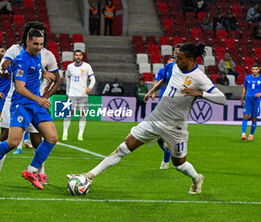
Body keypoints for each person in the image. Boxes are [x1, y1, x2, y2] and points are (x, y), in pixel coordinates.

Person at [68, 42, 227, 195]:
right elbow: (165, 79)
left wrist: (200, 93)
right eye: (176, 57)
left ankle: (196, 178)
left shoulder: (200, 78)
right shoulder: (174, 66)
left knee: (179, 164)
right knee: (123, 148)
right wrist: (152, 91)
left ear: (191, 60)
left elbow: (222, 99)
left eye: (180, 58)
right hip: (155, 119)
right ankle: (89, 175)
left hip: (176, 128)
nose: (176, 61)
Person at [0, 29, 59, 190]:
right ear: (27, 42)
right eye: (35, 44)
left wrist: (44, 74)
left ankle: (31, 170)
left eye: (41, 44)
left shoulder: (37, 57)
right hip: (21, 104)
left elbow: (34, 72)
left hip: (35, 104)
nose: (38, 47)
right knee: (13, 142)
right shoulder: (22, 60)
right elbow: (20, 88)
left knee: (52, 137)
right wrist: (40, 99)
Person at [151, 45, 181, 170]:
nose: (171, 62)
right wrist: (152, 92)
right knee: (158, 134)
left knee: (164, 132)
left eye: (173, 60)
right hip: (163, 101)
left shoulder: (181, 71)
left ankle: (166, 160)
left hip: (174, 105)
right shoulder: (164, 70)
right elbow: (158, 81)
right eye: (170, 60)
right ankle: (169, 152)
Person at [62, 50, 96, 141]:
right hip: (72, 94)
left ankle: (80, 134)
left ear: (82, 56)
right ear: (74, 56)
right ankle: (65, 133)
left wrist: (90, 87)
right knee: (69, 113)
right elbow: (68, 81)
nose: (78, 57)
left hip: (83, 95)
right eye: (76, 55)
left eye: (80, 55)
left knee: (82, 113)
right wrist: (67, 93)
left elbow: (93, 79)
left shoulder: (87, 66)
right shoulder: (69, 67)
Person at [241, 64, 261, 141]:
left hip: (256, 101)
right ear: (251, 70)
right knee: (245, 116)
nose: (254, 71)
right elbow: (244, 88)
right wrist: (242, 98)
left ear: (258, 70)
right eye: (253, 69)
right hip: (248, 100)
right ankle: (243, 133)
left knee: (254, 118)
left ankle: (251, 135)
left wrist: (260, 94)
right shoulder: (247, 78)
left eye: (256, 69)